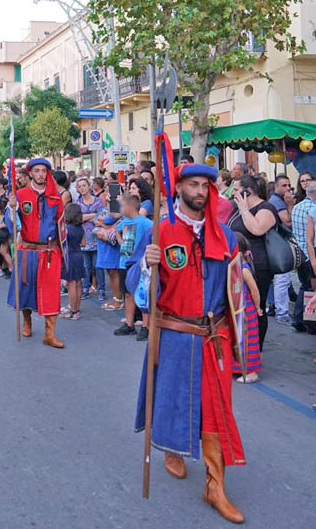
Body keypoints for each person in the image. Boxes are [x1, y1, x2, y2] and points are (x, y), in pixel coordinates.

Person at [133, 163, 246, 524]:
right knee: (174, 399)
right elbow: (138, 290)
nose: (200, 191)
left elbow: (235, 290)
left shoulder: (224, 237)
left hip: (214, 336)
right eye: (193, 184)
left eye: (206, 186)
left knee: (216, 409)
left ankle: (215, 485)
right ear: (178, 187)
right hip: (175, 333)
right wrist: (147, 267)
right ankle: (172, 449)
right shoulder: (159, 233)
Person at [6, 158, 65, 347]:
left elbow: (62, 227)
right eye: (37, 170)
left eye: (43, 171)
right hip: (27, 250)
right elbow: (12, 224)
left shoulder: (55, 197)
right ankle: (27, 320)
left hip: (49, 251)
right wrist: (11, 208)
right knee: (26, 287)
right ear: (30, 173)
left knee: (51, 291)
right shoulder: (20, 195)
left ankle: (50, 333)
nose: (40, 174)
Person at [227, 175, 278, 349]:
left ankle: (256, 349)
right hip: (236, 263)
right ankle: (240, 348)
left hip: (258, 266)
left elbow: (256, 229)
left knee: (257, 306)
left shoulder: (266, 208)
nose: (232, 193)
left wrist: (244, 210)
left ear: (247, 191)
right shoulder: (237, 208)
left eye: (236, 190)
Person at [114, 194, 152, 339]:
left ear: (130, 207)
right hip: (125, 261)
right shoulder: (124, 222)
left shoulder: (144, 222)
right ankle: (129, 324)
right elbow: (117, 231)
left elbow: (155, 233)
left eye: (123, 205)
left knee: (142, 294)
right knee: (128, 294)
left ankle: (146, 326)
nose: (121, 208)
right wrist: (120, 240)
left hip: (139, 264)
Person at [231, 233, 263, 384]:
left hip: (246, 309)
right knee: (238, 338)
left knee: (247, 338)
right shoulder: (235, 267)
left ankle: (251, 371)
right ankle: (238, 367)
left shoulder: (244, 269)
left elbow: (254, 290)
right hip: (237, 309)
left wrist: (257, 307)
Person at [268, 174, 295, 325]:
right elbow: (288, 221)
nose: (287, 188)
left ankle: (278, 309)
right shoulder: (277, 201)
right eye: (284, 185)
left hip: (281, 242)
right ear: (276, 186)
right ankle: (282, 313)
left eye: (289, 185)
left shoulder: (279, 200)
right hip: (280, 243)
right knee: (282, 279)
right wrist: (290, 205)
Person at [291, 179, 316, 332]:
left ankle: (300, 319)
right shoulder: (312, 209)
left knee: (305, 287)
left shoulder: (296, 207)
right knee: (311, 289)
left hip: (301, 252)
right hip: (310, 252)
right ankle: (310, 322)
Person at [76, 176, 104, 299]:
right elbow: (77, 219)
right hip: (83, 238)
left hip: (97, 237)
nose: (82, 188)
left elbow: (101, 218)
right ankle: (85, 288)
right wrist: (92, 215)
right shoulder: (77, 203)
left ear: (89, 186)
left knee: (98, 265)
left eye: (84, 185)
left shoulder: (98, 201)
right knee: (86, 266)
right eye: (79, 186)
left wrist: (86, 216)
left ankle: (102, 290)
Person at [61, 202, 85, 320]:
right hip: (79, 255)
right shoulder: (80, 228)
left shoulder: (66, 229)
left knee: (71, 284)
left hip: (69, 256)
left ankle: (72, 310)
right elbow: (84, 243)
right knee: (78, 283)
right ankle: (77, 309)